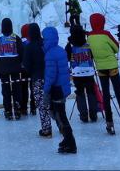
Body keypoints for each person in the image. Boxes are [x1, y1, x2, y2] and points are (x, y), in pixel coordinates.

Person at [87, 13, 120, 134]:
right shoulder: (106, 34)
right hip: (112, 67)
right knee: (119, 94)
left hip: (100, 68)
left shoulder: (89, 37)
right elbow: (116, 47)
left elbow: (90, 52)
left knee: (106, 95)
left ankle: (109, 124)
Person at [42, 26, 77, 154]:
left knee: (60, 116)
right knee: (60, 114)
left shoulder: (50, 54)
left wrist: (46, 90)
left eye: (44, 39)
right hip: (62, 87)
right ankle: (67, 139)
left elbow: (50, 76)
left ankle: (70, 142)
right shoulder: (60, 50)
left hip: (56, 89)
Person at [66, 25, 99, 122]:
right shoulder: (87, 43)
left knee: (80, 93)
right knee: (91, 92)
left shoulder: (70, 45)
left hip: (77, 73)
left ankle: (83, 115)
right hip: (89, 72)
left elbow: (67, 58)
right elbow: (92, 55)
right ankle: (93, 114)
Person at [22, 23, 50, 136]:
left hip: (37, 78)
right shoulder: (45, 43)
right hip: (49, 76)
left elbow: (26, 65)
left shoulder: (29, 47)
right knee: (55, 103)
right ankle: (62, 125)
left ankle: (46, 129)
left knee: (42, 105)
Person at [0, 18, 25, 119]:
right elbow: (22, 51)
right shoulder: (15, 37)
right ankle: (17, 109)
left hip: (3, 68)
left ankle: (8, 110)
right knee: (16, 89)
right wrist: (19, 62)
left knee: (6, 90)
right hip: (15, 67)